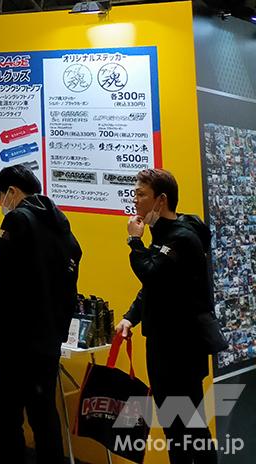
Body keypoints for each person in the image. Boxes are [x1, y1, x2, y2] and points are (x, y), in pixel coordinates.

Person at [116, 168, 224, 464]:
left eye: (141, 195)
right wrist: (130, 317)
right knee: (176, 427)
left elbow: (151, 273)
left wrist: (134, 242)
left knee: (188, 426)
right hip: (163, 343)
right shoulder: (162, 234)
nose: (135, 200)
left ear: (161, 200)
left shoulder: (182, 238)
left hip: (181, 347)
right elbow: (154, 286)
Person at [0, 165, 82, 464]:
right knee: (44, 413)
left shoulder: (18, 220)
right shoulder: (62, 226)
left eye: (1, 196)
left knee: (7, 415)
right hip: (47, 341)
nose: (2, 204)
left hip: (13, 339)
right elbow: (70, 286)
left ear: (12, 191)